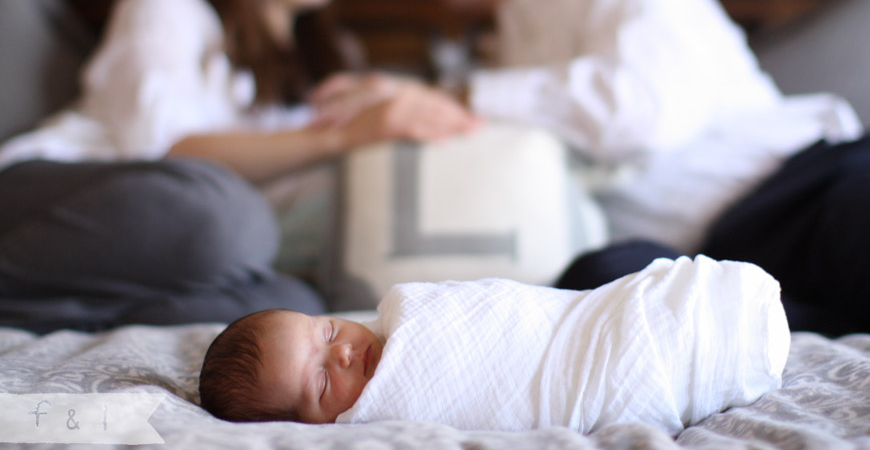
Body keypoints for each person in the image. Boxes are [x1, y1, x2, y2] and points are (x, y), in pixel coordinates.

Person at [310, 0, 870, 335]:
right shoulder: (498, 58)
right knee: (591, 279)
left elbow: (642, 111)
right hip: (709, 263)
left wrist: (455, 95)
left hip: (809, 186)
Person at [0, 0, 479, 334]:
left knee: (293, 305)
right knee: (230, 218)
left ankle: (62, 313)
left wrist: (388, 103)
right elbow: (167, 150)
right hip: (50, 196)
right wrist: (338, 136)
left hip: (180, 255)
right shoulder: (166, 4)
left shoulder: (326, 62)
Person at [199, 256, 789, 434]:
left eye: (327, 333)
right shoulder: (383, 423)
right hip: (614, 375)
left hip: (598, 321)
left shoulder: (407, 313)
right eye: (324, 382)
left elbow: (516, 312)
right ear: (309, 425)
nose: (346, 354)